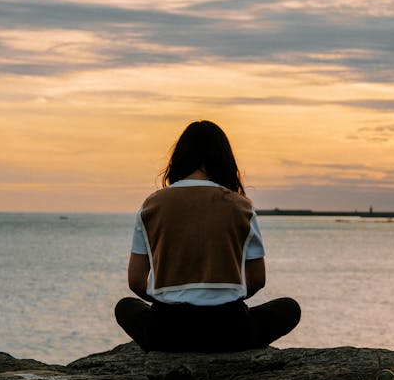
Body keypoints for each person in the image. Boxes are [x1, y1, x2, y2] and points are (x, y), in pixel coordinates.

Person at [115, 120, 300, 352]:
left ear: (179, 158)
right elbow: (257, 280)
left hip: (166, 333)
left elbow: (135, 282)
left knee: (125, 307)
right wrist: (223, 298)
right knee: (289, 308)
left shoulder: (151, 205)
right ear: (224, 159)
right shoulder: (241, 207)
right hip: (230, 331)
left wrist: (173, 302)